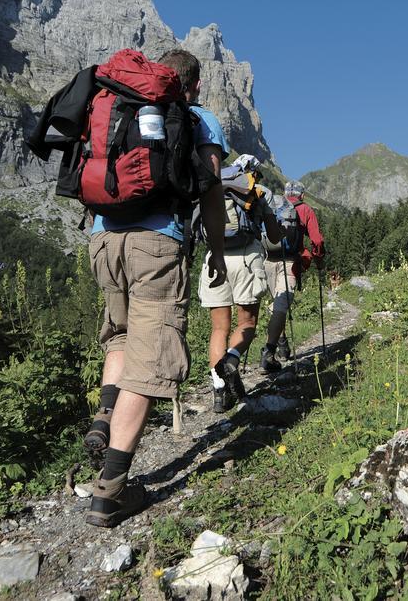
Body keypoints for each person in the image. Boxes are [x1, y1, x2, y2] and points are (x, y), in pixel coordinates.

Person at [82, 48, 228, 528]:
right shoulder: (197, 117)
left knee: (121, 337)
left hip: (103, 238)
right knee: (151, 363)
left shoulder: (117, 99)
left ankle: (104, 417)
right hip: (155, 244)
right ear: (196, 83)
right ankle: (111, 491)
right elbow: (210, 191)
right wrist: (217, 251)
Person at [200, 154, 283, 412]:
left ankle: (218, 391)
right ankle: (232, 361)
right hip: (246, 257)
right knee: (246, 323)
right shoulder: (257, 191)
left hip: (215, 257)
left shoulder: (214, 185)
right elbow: (274, 236)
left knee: (218, 329)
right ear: (254, 172)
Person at [260, 179, 324, 373]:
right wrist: (318, 260)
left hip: (267, 261)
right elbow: (317, 240)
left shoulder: (272, 205)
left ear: (285, 194)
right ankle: (269, 351)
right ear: (302, 195)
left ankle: (281, 343)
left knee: (277, 303)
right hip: (289, 262)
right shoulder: (305, 210)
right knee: (281, 305)